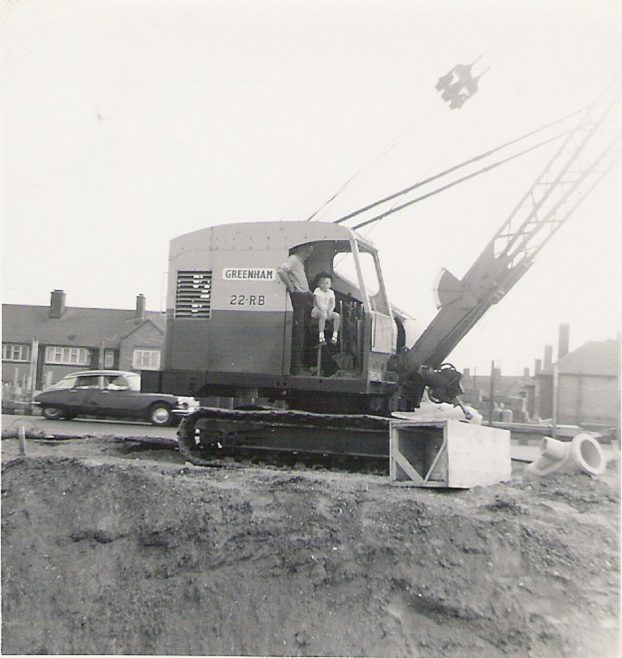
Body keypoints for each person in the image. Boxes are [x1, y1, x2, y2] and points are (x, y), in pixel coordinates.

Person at [277, 244, 314, 374]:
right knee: (298, 333)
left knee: (303, 331)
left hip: (303, 296)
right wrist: (291, 288)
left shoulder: (299, 262)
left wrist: (309, 292)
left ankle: (300, 366)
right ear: (300, 249)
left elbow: (299, 279)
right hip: (298, 298)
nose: (308, 255)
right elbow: (281, 270)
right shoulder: (293, 259)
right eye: (307, 251)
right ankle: (296, 369)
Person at [311, 272, 340, 345]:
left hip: (327, 311)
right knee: (323, 315)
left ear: (330, 284)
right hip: (317, 311)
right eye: (322, 283)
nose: (324, 285)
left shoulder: (331, 292)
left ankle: (335, 336)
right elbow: (318, 303)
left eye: (327, 283)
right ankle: (321, 336)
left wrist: (330, 311)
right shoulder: (317, 290)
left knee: (337, 316)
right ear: (318, 284)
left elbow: (332, 303)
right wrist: (324, 311)